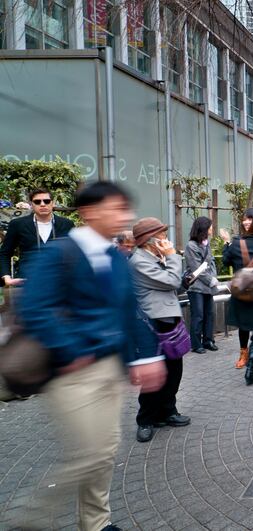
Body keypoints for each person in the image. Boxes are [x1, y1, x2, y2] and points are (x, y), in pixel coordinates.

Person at [16, 181, 166, 531]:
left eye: (125, 209)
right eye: (116, 208)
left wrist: (142, 359)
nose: (124, 216)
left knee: (107, 450)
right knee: (92, 454)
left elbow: (128, 311)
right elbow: (34, 309)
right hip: (73, 373)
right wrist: (70, 351)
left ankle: (96, 523)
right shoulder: (59, 253)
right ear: (89, 212)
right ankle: (28, 516)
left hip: (110, 369)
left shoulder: (115, 256)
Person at [129, 217, 192, 443]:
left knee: (174, 371)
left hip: (168, 320)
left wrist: (186, 280)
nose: (166, 239)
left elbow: (173, 284)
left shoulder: (157, 256)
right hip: (150, 324)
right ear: (149, 240)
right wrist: (174, 256)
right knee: (153, 375)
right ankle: (146, 420)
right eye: (163, 235)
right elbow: (169, 282)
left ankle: (168, 411)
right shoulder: (139, 261)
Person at [221, 208, 253, 383]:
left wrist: (226, 243)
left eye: (249, 219)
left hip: (240, 292)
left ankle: (244, 355)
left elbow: (225, 261)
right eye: (245, 219)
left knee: (243, 326)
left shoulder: (236, 244)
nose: (246, 222)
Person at [0, 187, 75, 287]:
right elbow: (5, 253)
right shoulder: (18, 224)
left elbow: (75, 253)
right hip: (27, 282)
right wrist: (6, 277)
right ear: (31, 205)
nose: (42, 204)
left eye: (47, 201)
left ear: (52, 203)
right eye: (37, 202)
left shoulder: (66, 224)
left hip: (60, 282)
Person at [184, 216, 219, 353]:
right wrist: (211, 280)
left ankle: (208, 340)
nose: (212, 229)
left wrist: (213, 278)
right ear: (204, 228)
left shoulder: (206, 243)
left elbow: (211, 263)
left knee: (210, 314)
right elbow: (196, 269)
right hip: (196, 286)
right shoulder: (191, 246)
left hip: (208, 286)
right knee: (198, 316)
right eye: (210, 226)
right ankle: (196, 344)